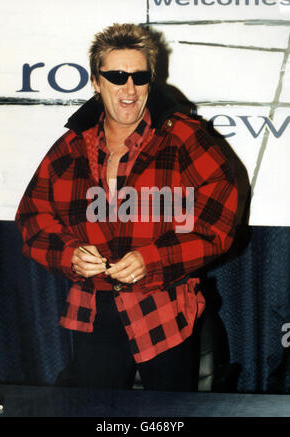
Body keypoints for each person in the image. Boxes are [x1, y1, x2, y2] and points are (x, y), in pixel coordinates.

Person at [15, 23, 238, 392]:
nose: (129, 88)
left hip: (165, 310)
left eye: (139, 76)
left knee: (169, 419)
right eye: (117, 76)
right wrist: (69, 255)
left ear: (152, 80)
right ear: (96, 81)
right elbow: (32, 220)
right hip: (93, 310)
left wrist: (154, 259)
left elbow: (219, 225)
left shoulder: (184, 136)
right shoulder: (70, 147)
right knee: (96, 416)